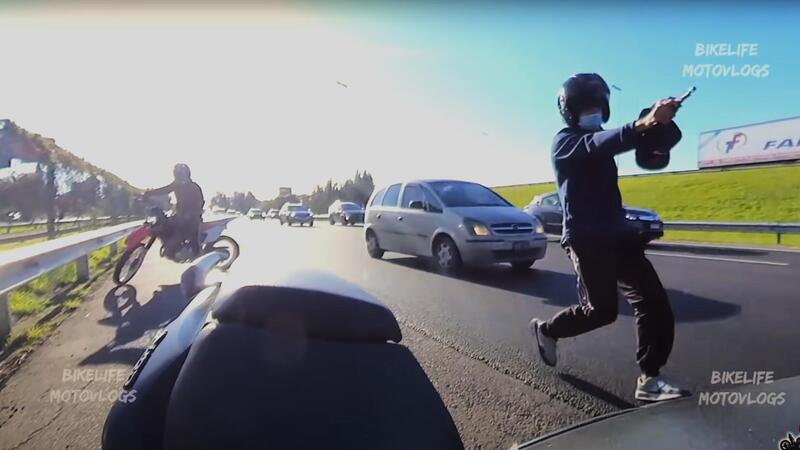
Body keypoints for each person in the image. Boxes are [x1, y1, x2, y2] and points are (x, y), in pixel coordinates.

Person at [529, 73, 689, 402]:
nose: (594, 113)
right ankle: (547, 330)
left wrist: (656, 130)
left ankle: (650, 379)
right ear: (569, 112)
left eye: (598, 107)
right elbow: (599, 144)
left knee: (655, 304)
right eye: (586, 108)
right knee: (601, 312)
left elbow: (625, 145)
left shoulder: (604, 142)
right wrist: (645, 122)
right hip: (586, 240)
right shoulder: (565, 142)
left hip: (619, 236)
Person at [143, 163, 205, 258]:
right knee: (165, 226)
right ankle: (171, 249)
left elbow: (200, 203)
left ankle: (197, 255)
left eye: (180, 174)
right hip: (180, 215)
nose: (178, 176)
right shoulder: (176, 185)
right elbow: (164, 190)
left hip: (192, 218)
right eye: (177, 174)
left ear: (187, 174)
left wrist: (192, 213)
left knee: (193, 238)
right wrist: (149, 193)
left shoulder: (194, 187)